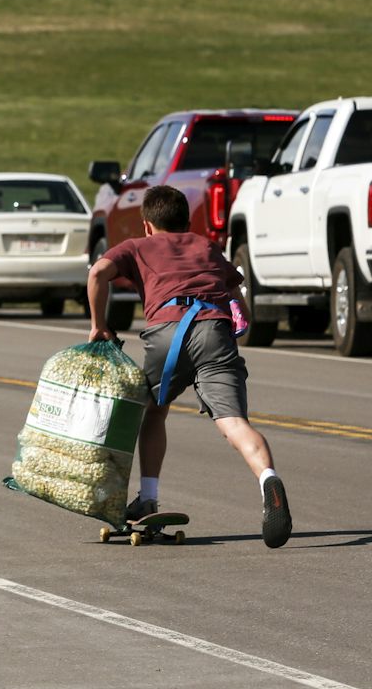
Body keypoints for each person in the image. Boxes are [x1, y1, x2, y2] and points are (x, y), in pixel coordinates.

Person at [86, 185, 292, 548]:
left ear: (147, 225)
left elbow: (98, 271)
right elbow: (234, 289)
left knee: (152, 411)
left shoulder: (138, 245)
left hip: (168, 331)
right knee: (234, 423)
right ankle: (268, 479)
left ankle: (148, 496)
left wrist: (98, 325)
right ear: (186, 221)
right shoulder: (204, 245)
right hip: (214, 329)